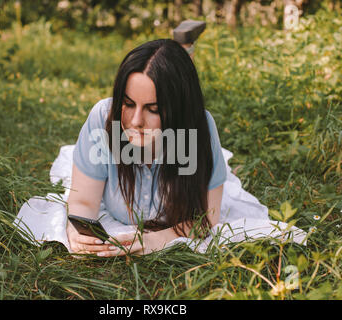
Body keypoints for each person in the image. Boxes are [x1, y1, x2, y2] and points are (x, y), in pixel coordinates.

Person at [66, 38, 227, 257]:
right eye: (128, 104)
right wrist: (78, 233)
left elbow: (206, 218)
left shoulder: (201, 129)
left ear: (180, 110)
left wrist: (154, 241)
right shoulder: (103, 119)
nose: (135, 121)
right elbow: (83, 202)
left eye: (153, 109)